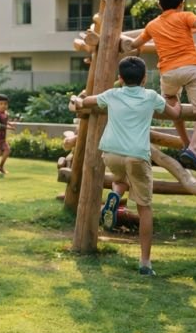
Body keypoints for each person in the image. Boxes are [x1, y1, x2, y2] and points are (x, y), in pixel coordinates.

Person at [70, 56, 181, 276]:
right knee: (144, 207)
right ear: (145, 78)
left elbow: (87, 102)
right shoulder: (151, 97)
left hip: (111, 153)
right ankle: (145, 262)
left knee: (120, 180)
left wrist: (77, 98)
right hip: (137, 155)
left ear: (120, 79)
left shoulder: (112, 94)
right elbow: (175, 114)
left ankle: (114, 196)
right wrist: (175, 99)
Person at [130, 0, 196, 173]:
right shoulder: (186, 16)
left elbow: (135, 43)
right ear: (182, 3)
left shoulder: (152, 25)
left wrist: (122, 43)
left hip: (168, 73)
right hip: (191, 68)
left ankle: (186, 143)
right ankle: (194, 149)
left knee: (173, 105)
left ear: (159, 5)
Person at [0, 94, 21, 175]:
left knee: (7, 150)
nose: (3, 106)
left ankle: (1, 166)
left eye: (5, 104)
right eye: (1, 104)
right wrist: (6, 127)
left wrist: (10, 124)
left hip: (2, 138)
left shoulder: (5, 113)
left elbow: (5, 121)